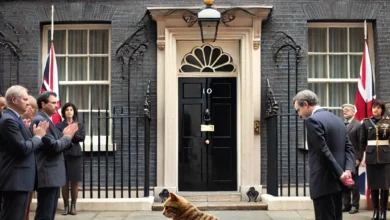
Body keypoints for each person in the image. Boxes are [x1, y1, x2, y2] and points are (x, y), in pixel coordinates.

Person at [293, 89, 355, 220]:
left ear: (306, 104)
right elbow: (349, 148)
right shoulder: (337, 119)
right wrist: (347, 170)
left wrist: (341, 174)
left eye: (298, 110)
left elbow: (322, 151)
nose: (298, 115)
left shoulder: (312, 121)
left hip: (323, 183)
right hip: (338, 185)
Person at [0, 85, 49, 220]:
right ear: (14, 100)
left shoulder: (15, 119)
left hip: (20, 180)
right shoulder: (9, 120)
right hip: (15, 180)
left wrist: (28, 131)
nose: (28, 102)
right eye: (25, 99)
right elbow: (23, 148)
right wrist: (38, 136)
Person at [31, 91, 78, 220]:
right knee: (44, 214)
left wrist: (64, 137)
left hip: (52, 174)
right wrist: (67, 137)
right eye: (53, 103)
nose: (57, 106)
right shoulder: (40, 121)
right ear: (43, 104)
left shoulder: (46, 119)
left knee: (49, 213)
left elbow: (58, 142)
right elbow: (54, 146)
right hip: (48, 174)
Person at [360, 99, 390, 220]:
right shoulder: (366, 123)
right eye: (373, 108)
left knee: (384, 186)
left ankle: (383, 212)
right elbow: (362, 142)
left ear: (382, 109)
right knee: (373, 186)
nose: (375, 110)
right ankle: (375, 211)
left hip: (385, 156)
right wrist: (363, 157)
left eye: (377, 108)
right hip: (371, 156)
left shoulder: (388, 122)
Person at [56, 103, 85, 215]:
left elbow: (82, 138)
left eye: (71, 110)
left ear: (74, 112)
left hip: (75, 156)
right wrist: (68, 134)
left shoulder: (80, 125)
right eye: (67, 110)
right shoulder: (58, 125)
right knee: (64, 182)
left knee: (74, 182)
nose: (69, 112)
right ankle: (65, 206)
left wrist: (71, 133)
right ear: (63, 112)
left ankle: (73, 206)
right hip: (63, 155)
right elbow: (59, 138)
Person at [341, 104, 362, 214]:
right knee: (344, 182)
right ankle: (346, 204)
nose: (344, 112)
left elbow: (360, 143)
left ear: (353, 112)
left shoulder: (358, 125)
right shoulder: (341, 124)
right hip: (342, 157)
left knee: (353, 183)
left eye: (347, 110)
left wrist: (358, 158)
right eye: (343, 110)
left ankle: (355, 205)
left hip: (353, 158)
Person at [21, 95, 38, 220]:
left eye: (31, 107)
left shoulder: (35, 123)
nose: (29, 109)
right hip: (20, 169)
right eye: (27, 106)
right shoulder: (14, 121)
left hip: (33, 167)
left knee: (28, 201)